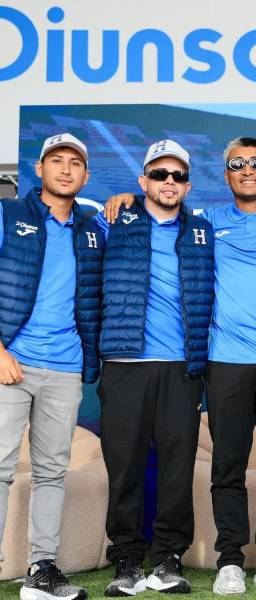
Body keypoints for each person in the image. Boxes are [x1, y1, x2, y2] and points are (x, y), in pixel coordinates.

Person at [103, 137, 256, 595]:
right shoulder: (206, 222)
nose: (247, 170)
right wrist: (126, 198)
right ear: (225, 175)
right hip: (221, 361)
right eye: (237, 163)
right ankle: (225, 560)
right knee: (223, 469)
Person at [96, 140, 214, 596]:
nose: (169, 182)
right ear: (143, 180)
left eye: (178, 176)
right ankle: (126, 559)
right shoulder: (110, 221)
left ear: (187, 185)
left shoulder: (201, 230)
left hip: (182, 367)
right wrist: (122, 201)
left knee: (176, 469)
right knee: (124, 466)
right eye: (160, 174)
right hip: (125, 363)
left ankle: (168, 558)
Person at [0, 133, 103, 600]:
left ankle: (41, 570)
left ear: (86, 175)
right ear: (39, 169)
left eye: (75, 163)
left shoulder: (91, 229)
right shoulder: (8, 214)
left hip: (64, 368)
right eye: (56, 160)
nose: (65, 169)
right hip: (11, 363)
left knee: (50, 472)